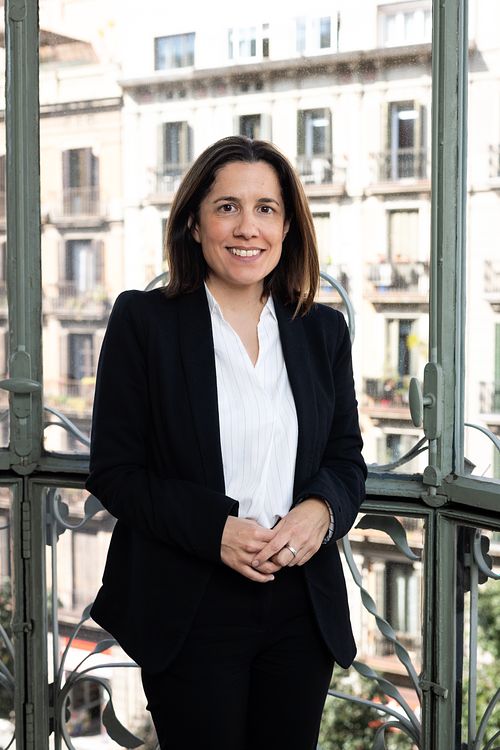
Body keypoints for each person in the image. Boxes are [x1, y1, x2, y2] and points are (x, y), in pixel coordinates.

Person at [86, 135, 366, 750]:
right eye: (227, 207)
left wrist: (320, 511)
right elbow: (114, 472)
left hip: (300, 605)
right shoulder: (144, 321)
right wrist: (214, 529)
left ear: (287, 227)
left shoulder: (322, 329)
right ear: (194, 222)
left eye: (266, 208)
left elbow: (346, 458)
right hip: (190, 603)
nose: (247, 228)